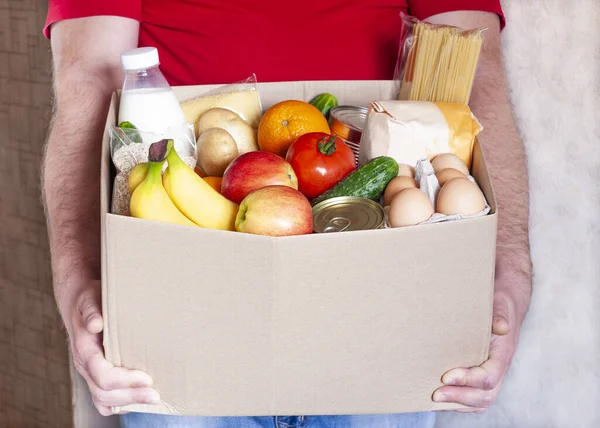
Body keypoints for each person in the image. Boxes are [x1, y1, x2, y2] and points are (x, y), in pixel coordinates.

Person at [41, 0, 532, 427]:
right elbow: (91, 75)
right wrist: (78, 282)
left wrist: (509, 272)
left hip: (383, 316)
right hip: (185, 312)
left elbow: (477, 69)